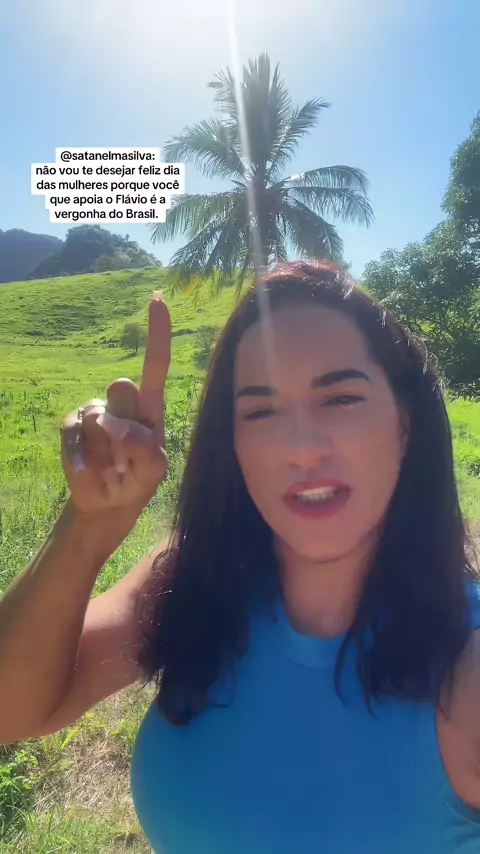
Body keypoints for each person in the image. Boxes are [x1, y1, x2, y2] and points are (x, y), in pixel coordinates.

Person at [1, 260, 480, 853]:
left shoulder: (465, 659)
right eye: (260, 410)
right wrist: (88, 527)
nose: (301, 448)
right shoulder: (192, 580)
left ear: (404, 426)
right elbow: (11, 711)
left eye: (340, 398)